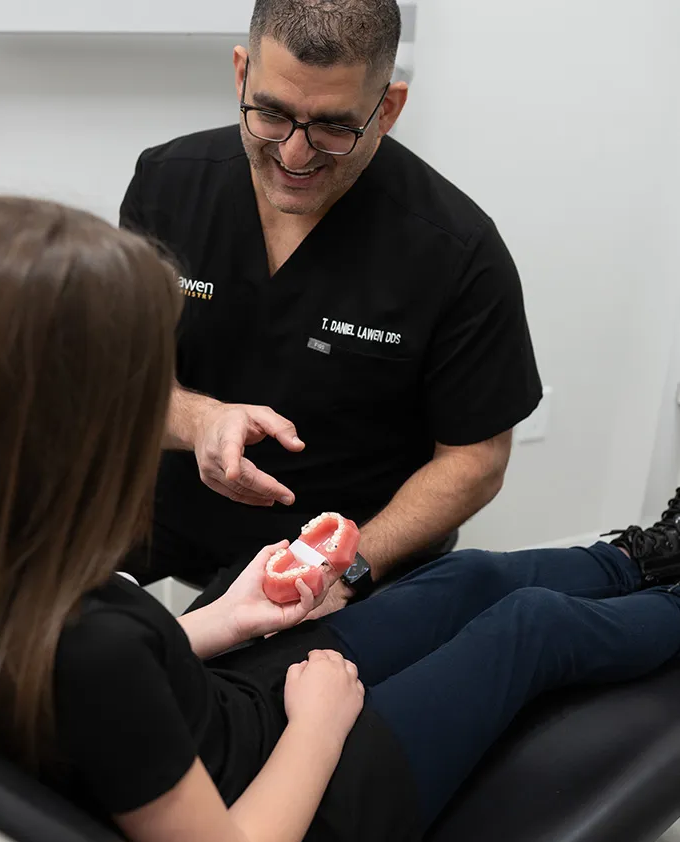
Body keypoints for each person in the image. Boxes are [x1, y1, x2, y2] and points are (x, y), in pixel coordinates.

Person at [0, 197, 680, 842]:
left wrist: (225, 618)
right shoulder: (92, 652)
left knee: (465, 574)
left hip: (227, 707)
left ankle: (643, 559)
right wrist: (318, 726)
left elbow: (55, 683)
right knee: (531, 628)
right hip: (310, 801)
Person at [120, 0, 543, 611]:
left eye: (334, 127)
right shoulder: (167, 182)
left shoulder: (456, 250)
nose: (295, 156)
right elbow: (118, 380)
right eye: (270, 113)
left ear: (388, 109)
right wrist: (199, 420)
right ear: (242, 74)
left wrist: (343, 569)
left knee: (235, 698)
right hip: (169, 518)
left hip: (344, 559)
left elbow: (475, 460)